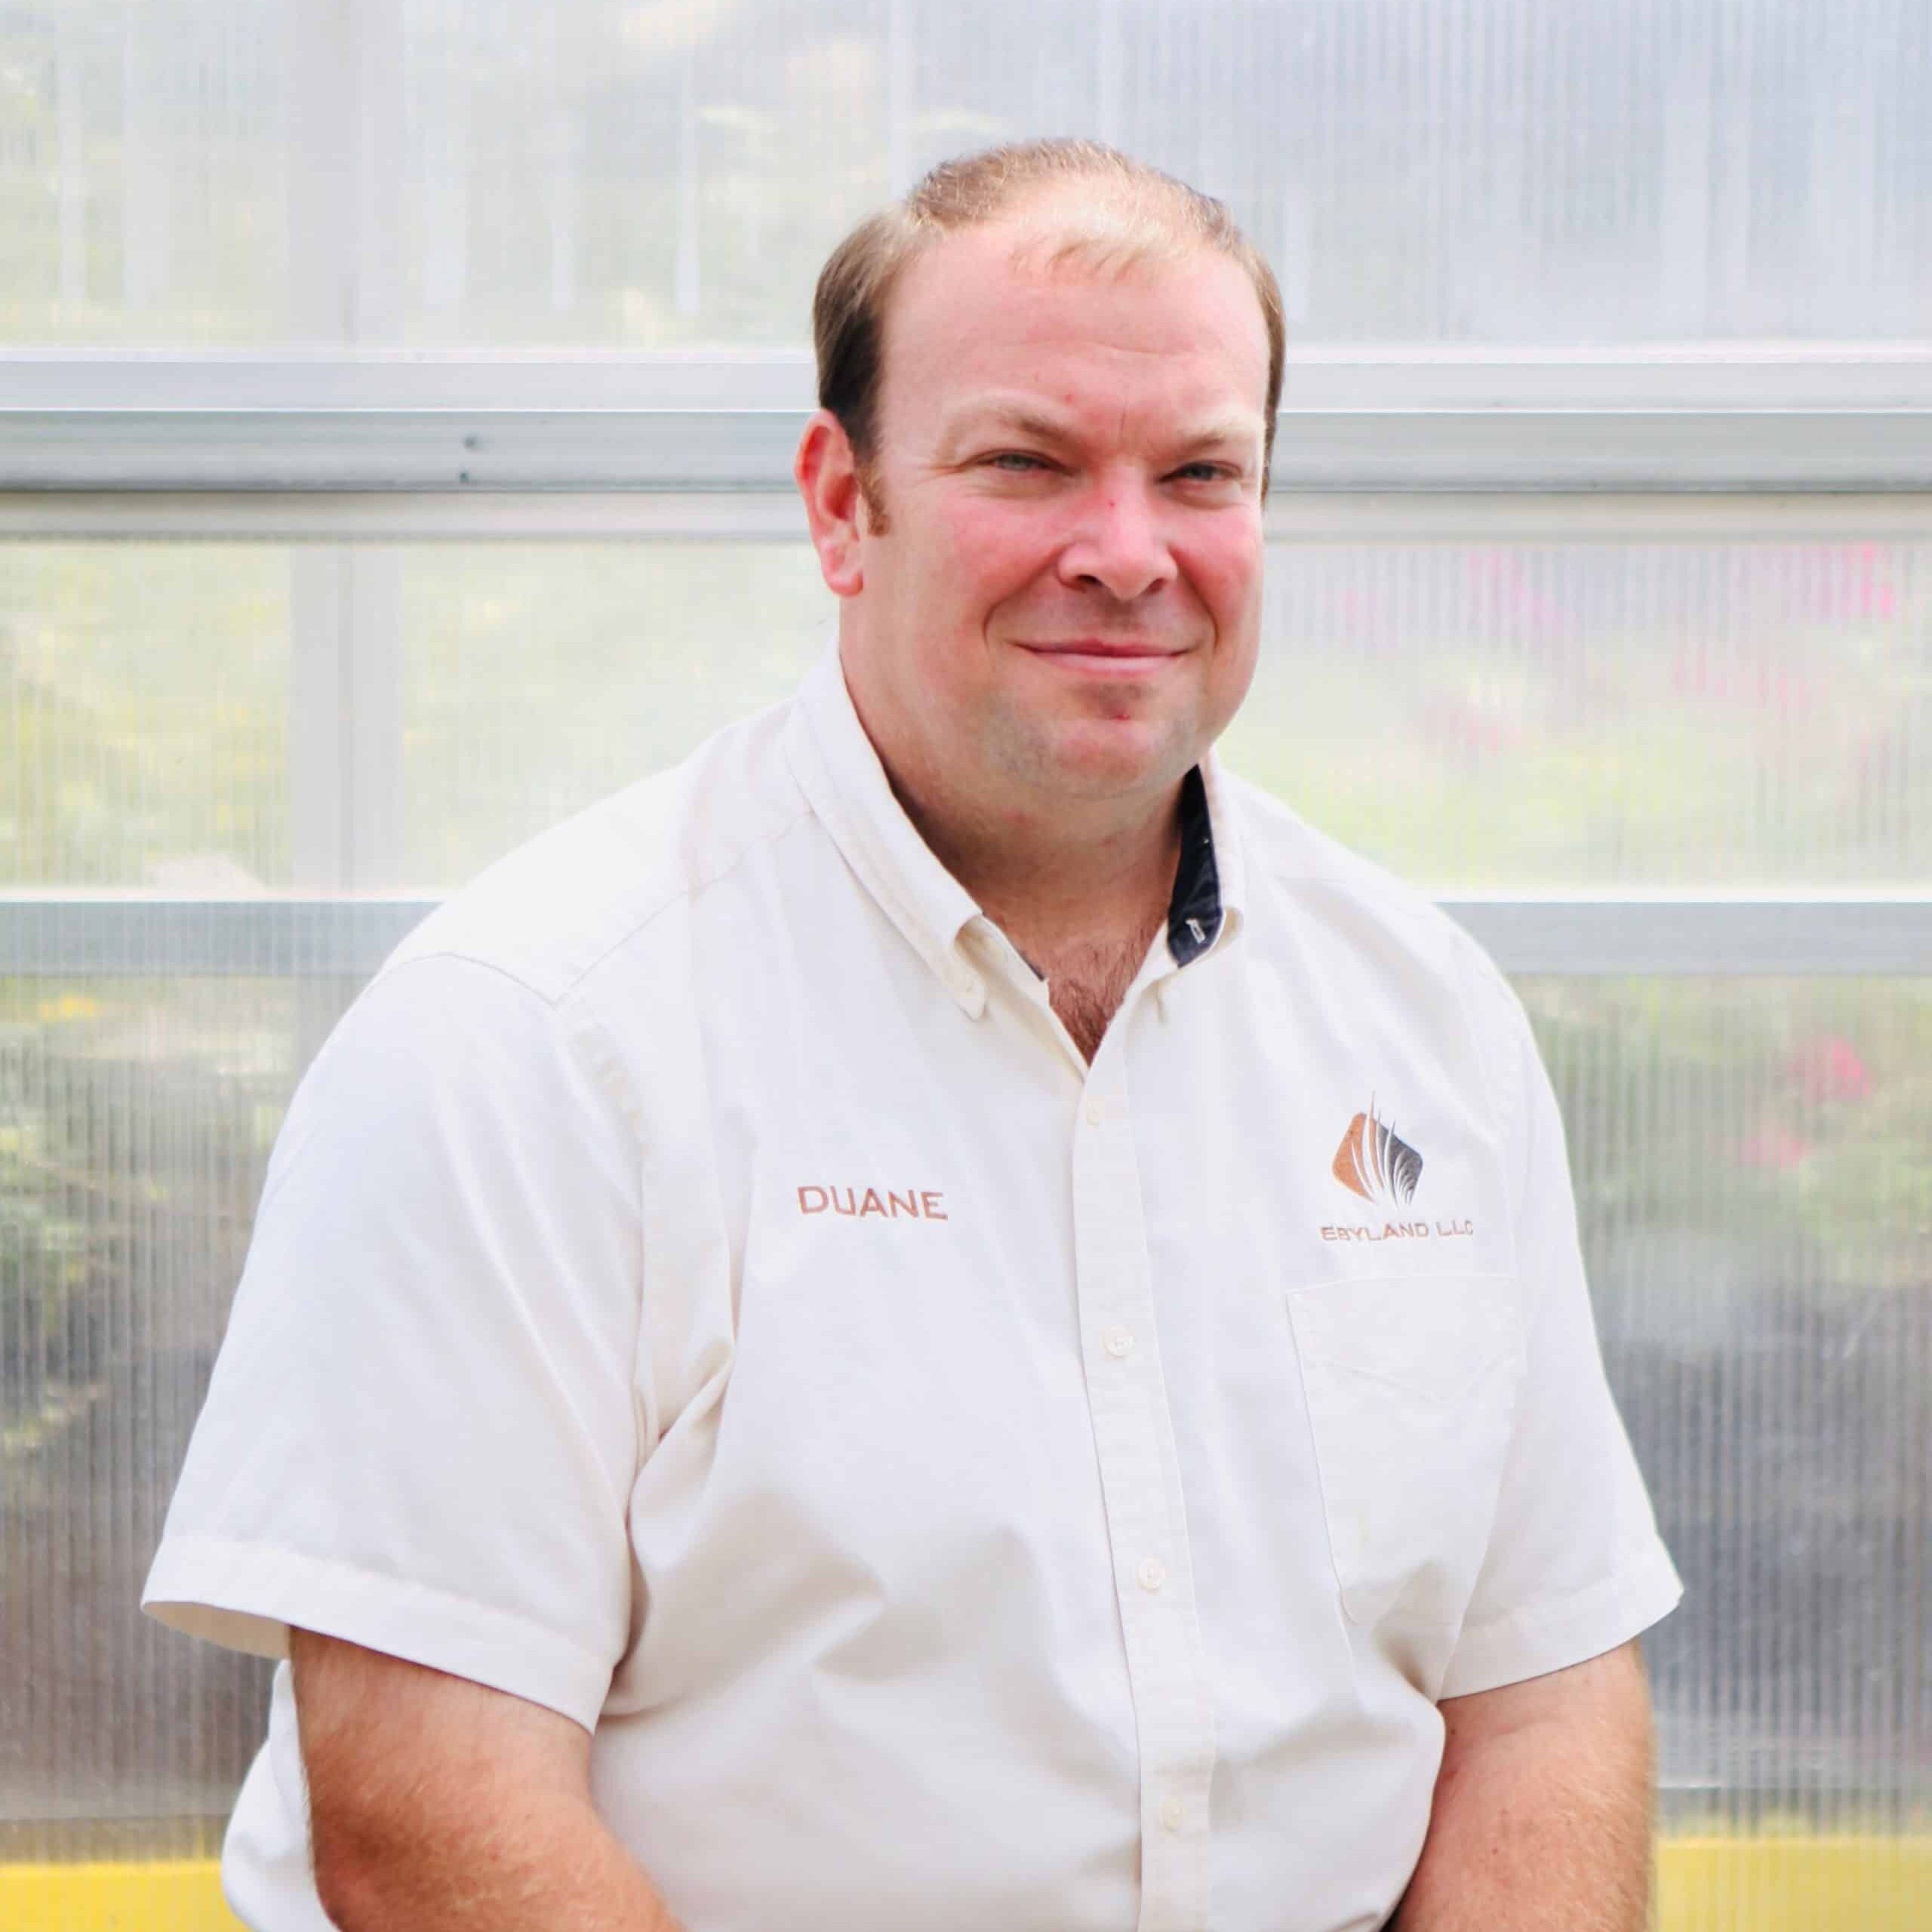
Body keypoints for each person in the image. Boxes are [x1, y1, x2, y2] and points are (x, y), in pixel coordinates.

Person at [144, 139, 1681, 1932]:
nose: (1126, 553)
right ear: (836, 500)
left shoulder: (1421, 1022)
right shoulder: (531, 1037)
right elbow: (428, 1809)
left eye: (1200, 472)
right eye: (1025, 462)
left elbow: (1542, 1685)